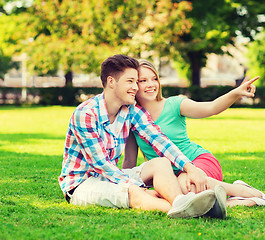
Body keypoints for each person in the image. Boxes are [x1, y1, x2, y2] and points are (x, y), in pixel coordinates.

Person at [58, 54, 226, 219]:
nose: (136, 87)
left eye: (136, 82)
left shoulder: (130, 110)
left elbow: (160, 140)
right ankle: (194, 209)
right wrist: (140, 187)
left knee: (161, 162)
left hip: (111, 177)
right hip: (82, 183)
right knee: (134, 192)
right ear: (111, 82)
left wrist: (190, 167)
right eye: (130, 81)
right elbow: (101, 165)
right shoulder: (86, 114)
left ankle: (181, 201)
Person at [124, 59, 265, 207]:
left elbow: (211, 108)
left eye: (154, 79)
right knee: (175, 193)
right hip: (169, 176)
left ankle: (244, 191)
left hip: (198, 162)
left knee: (183, 188)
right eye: (143, 80)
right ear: (134, 84)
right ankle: (230, 202)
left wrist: (236, 93)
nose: (151, 84)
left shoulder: (175, 104)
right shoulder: (131, 119)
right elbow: (129, 161)